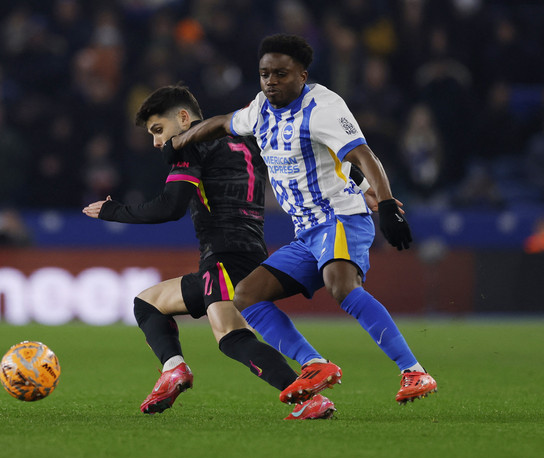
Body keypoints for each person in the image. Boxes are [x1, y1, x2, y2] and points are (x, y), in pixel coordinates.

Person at [168, 34, 438, 405]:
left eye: (281, 73)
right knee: (247, 295)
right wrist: (183, 140)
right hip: (307, 232)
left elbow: (362, 155)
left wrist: (387, 202)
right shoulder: (261, 108)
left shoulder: (324, 107)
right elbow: (221, 123)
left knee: (340, 285)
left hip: (340, 218)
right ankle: (314, 364)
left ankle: (414, 371)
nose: (271, 81)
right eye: (265, 74)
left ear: (302, 75)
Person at [83, 85, 342, 419]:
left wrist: (114, 212)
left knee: (231, 336)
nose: (157, 143)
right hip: (249, 252)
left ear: (183, 118)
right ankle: (173, 368)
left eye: (158, 130)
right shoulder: (245, 140)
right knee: (148, 303)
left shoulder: (192, 142)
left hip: (223, 254)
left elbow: (171, 206)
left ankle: (308, 398)